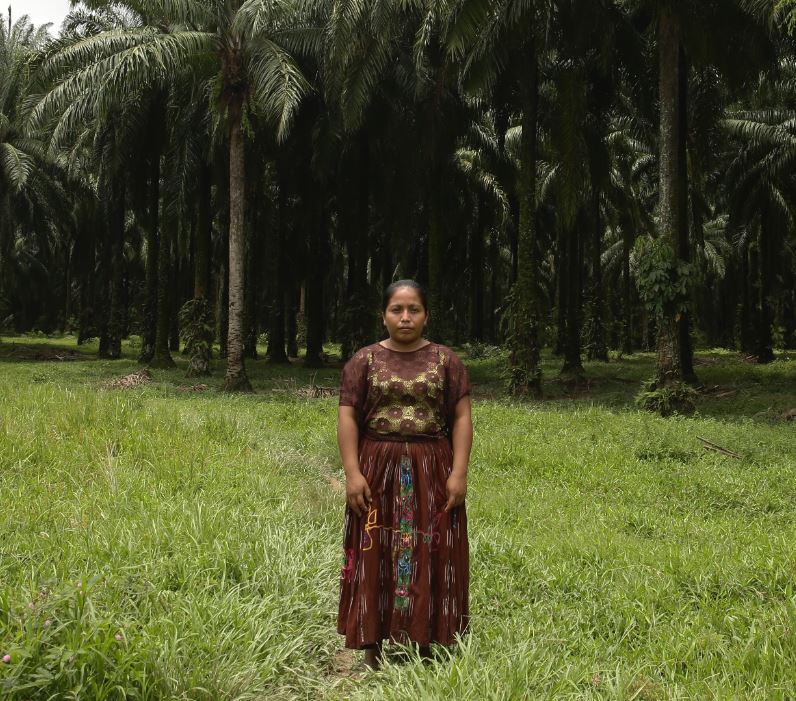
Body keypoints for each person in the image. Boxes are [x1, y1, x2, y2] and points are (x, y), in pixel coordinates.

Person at [336, 280, 473, 669]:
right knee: (375, 549)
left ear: (426, 314)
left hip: (434, 467)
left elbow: (462, 418)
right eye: (397, 309)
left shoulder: (448, 362)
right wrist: (352, 473)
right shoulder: (363, 362)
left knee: (432, 549)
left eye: (413, 309)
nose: (406, 317)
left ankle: (428, 638)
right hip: (377, 469)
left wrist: (459, 473)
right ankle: (371, 642)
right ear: (384, 315)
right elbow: (347, 417)